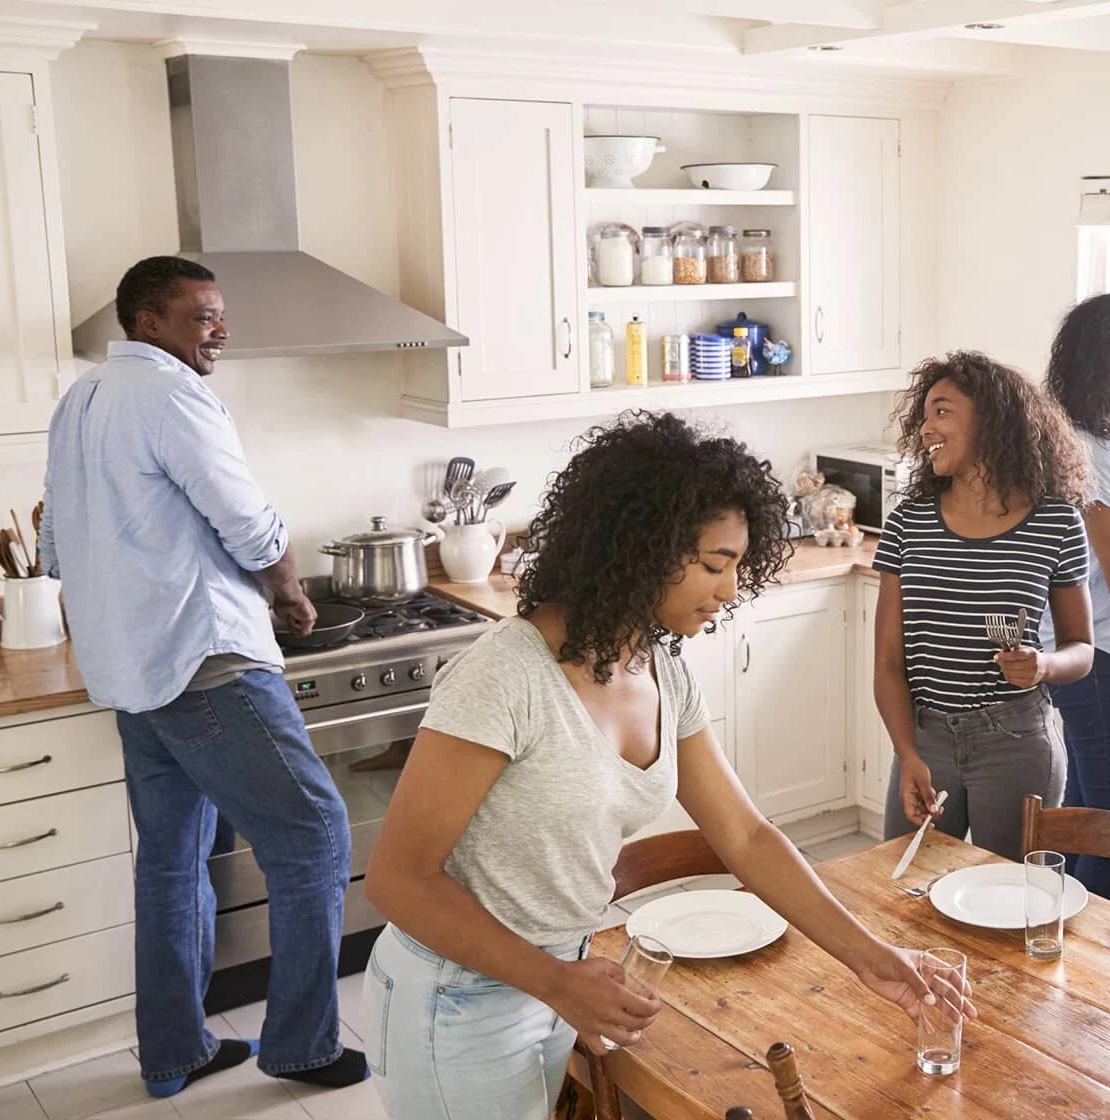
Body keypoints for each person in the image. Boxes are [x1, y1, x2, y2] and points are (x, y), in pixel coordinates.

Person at [361, 411, 976, 1120]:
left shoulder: (662, 670)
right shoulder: (506, 675)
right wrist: (553, 981)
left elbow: (744, 837)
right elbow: (399, 880)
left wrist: (872, 956)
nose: (731, 591)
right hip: (457, 996)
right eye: (716, 565)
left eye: (740, 566)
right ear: (639, 549)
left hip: (559, 975)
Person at [40, 256, 367, 1097]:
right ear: (149, 323)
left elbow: (54, 544)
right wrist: (291, 594)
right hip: (205, 665)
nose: (218, 330)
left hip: (130, 674)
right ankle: (301, 1044)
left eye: (221, 315)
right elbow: (249, 524)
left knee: (172, 861)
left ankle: (175, 1050)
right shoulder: (173, 396)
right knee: (316, 835)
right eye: (201, 317)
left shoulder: (79, 401)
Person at [874, 351, 1094, 862]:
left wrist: (1042, 666)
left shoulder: (1056, 522)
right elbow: (888, 665)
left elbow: (1080, 648)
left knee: (1011, 906)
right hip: (924, 739)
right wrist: (906, 755)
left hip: (1015, 742)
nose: (926, 428)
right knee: (901, 896)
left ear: (992, 421)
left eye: (942, 411)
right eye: (924, 414)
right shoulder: (909, 523)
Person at [1043, 294, 1110, 897]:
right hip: (1093, 651)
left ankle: (1049, 923)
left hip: (1082, 646)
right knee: (1105, 822)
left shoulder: (1082, 438)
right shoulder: (1088, 450)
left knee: (1086, 807)